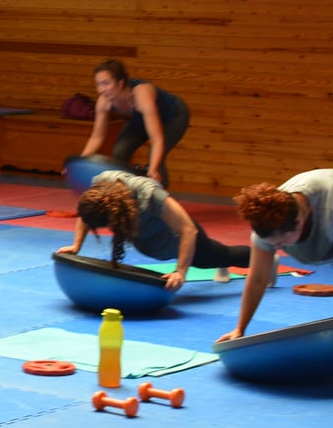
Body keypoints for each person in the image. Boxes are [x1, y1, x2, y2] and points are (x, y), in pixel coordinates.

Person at [59, 169, 250, 291]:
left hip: (178, 241)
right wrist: (76, 245)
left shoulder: (149, 194)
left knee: (218, 256)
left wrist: (180, 272)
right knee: (217, 253)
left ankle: (262, 258)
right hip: (150, 242)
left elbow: (188, 230)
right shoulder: (101, 185)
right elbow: (85, 214)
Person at [216, 170, 333, 343]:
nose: (276, 248)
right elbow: (258, 278)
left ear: (298, 223)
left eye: (280, 242)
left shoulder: (328, 209)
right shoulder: (269, 217)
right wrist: (240, 328)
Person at [78, 58, 189, 187]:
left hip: (173, 117)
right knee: (119, 151)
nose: (101, 90)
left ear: (120, 83)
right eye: (98, 84)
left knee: (155, 158)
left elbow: (157, 140)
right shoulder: (104, 102)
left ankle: (161, 192)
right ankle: (127, 190)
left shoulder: (141, 95)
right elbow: (97, 137)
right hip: (140, 120)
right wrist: (79, 163)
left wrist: (153, 169)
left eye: (106, 83)